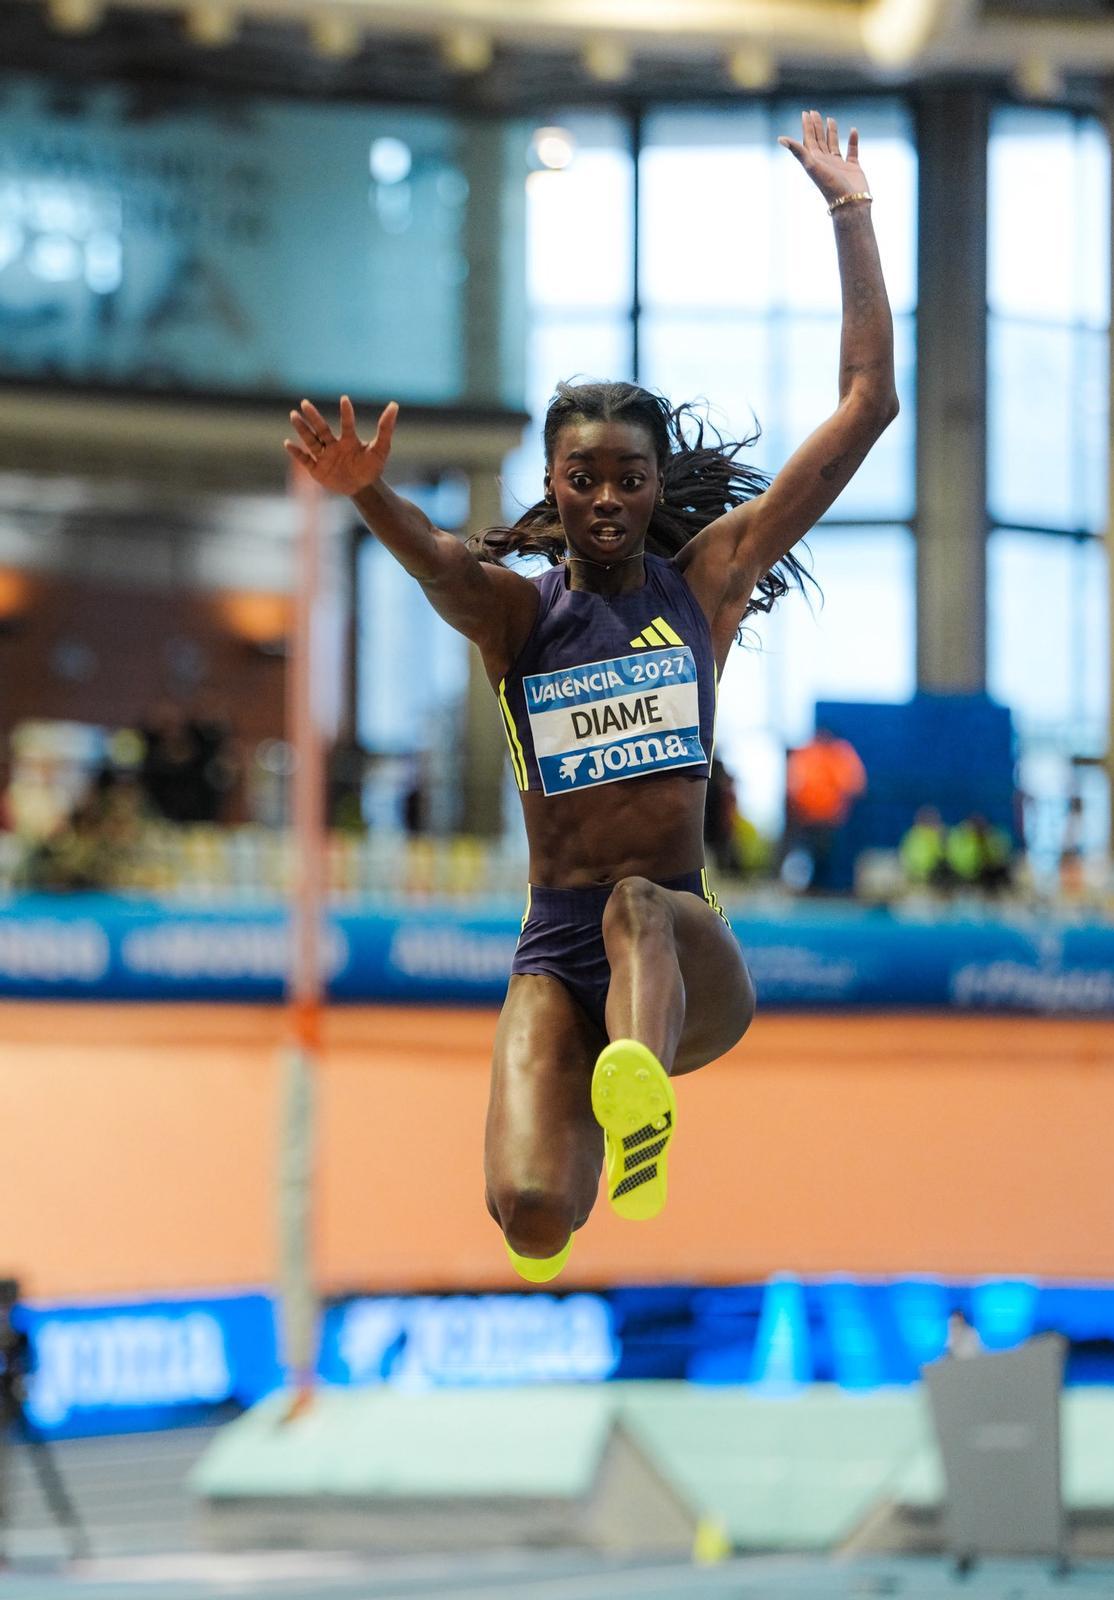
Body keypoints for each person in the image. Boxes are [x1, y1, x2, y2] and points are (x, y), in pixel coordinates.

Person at [287, 112, 897, 1281]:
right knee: (529, 1211)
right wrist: (368, 495)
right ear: (553, 489)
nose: (609, 499)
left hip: (680, 946)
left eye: (631, 477)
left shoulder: (706, 583)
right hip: (553, 951)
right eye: (584, 479)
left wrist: (849, 212)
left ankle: (642, 1095)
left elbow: (867, 404)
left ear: (658, 482)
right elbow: (438, 559)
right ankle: (605, 1122)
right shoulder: (520, 622)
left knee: (632, 904)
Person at [0, 1280, 88, 1565]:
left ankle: (76, 1540)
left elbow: (29, 1367)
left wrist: (22, 1381)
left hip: (14, 1407)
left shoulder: (19, 1335)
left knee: (45, 1475)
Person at [782, 726, 867, 893]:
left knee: (828, 858)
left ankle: (827, 889)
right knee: (804, 855)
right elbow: (794, 784)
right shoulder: (806, 754)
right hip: (806, 818)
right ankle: (802, 889)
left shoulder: (840, 753)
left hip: (831, 819)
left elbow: (855, 785)